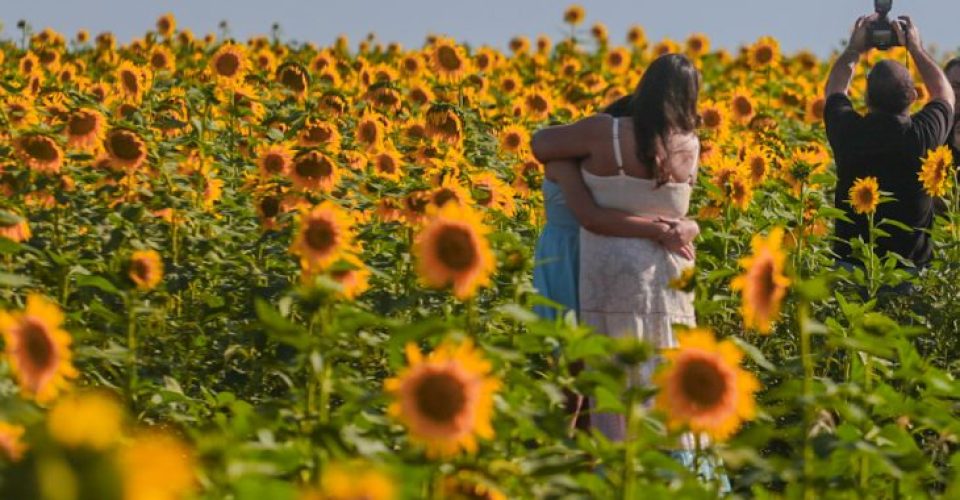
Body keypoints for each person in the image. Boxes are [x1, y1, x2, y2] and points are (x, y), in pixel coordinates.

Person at [532, 54, 724, 484]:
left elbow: (543, 146)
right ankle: (673, 472)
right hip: (666, 278)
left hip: (602, 268)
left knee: (599, 376)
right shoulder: (688, 145)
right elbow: (683, 213)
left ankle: (593, 473)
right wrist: (675, 228)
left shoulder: (602, 137)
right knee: (665, 371)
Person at [824, 14, 956, 271]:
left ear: (866, 97)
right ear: (914, 96)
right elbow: (944, 94)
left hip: (851, 269)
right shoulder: (922, 136)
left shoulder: (849, 132)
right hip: (909, 274)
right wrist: (915, 48)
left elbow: (835, 90)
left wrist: (854, 48)